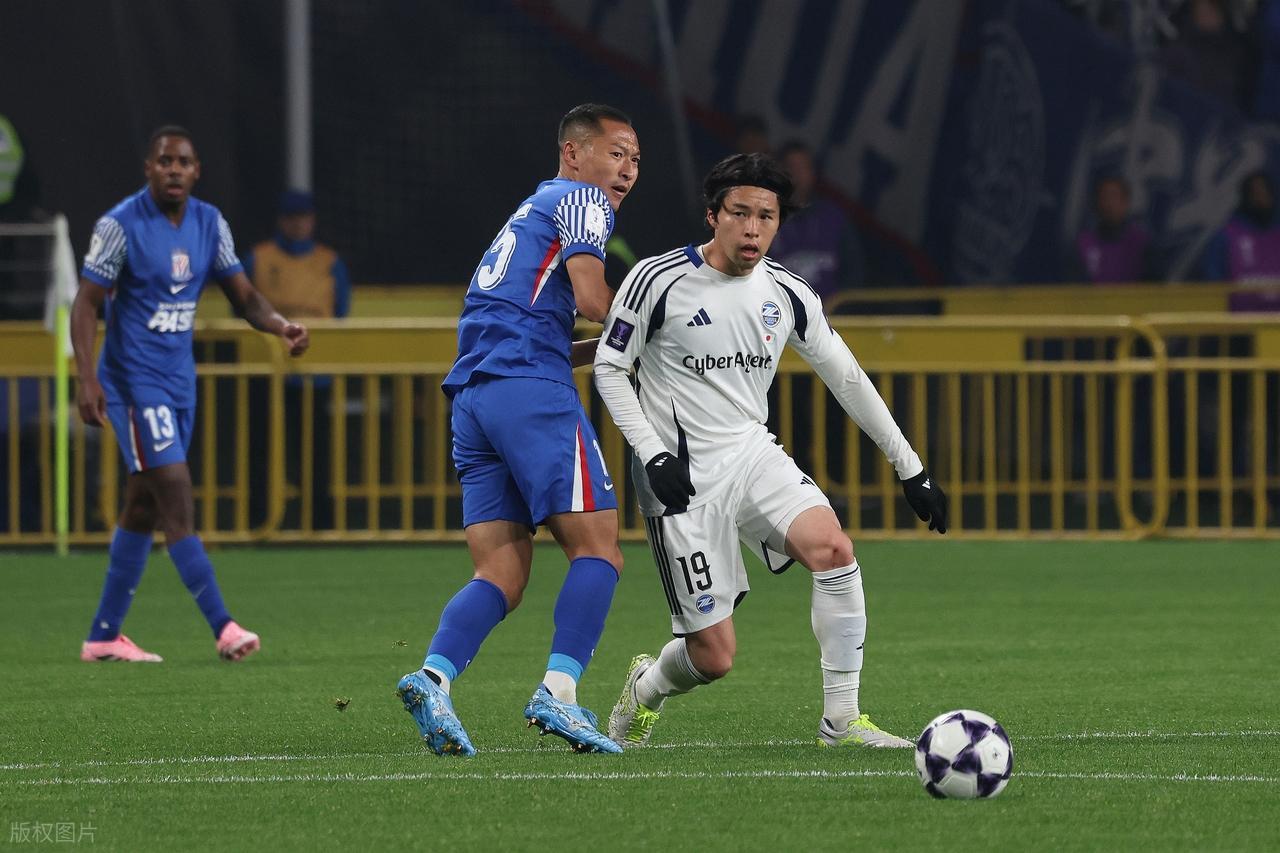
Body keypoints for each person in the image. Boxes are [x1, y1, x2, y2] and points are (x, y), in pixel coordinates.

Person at [593, 153, 948, 750]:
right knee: (714, 657)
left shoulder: (788, 292)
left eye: (766, 216)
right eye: (739, 213)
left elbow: (847, 378)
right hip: (680, 477)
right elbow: (609, 367)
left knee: (834, 550)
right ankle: (646, 687)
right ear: (713, 216)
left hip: (751, 454)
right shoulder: (657, 280)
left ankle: (842, 722)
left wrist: (911, 468)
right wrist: (652, 453)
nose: (753, 229)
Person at [395, 104, 640, 756]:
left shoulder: (530, 210)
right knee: (600, 550)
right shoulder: (583, 201)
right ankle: (559, 692)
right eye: (616, 152)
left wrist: (615, 347)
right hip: (530, 392)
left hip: (476, 396)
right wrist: (660, 322)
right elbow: (594, 301)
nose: (627, 170)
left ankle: (433, 678)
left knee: (501, 571)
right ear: (573, 154)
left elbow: (538, 329)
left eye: (635, 160)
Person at [73, 125, 310, 663]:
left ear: (196, 170)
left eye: (183, 162)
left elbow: (243, 297)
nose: (174, 170)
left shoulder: (209, 223)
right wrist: (87, 378)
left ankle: (104, 635)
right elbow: (86, 303)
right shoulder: (120, 226)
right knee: (176, 493)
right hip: (133, 383)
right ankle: (224, 626)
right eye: (165, 161)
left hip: (179, 383)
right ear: (149, 169)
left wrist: (280, 326)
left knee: (143, 506)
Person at [244, 188, 351, 529]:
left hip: (314, 372)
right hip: (266, 370)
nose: (298, 224)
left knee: (316, 451)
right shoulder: (259, 259)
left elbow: (341, 311)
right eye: (292, 218)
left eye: (303, 217)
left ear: (312, 221)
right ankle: (258, 521)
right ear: (281, 221)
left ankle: (320, 524)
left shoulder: (329, 263)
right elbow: (242, 306)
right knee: (261, 448)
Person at [767, 140, 865, 298]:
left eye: (803, 168)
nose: (798, 175)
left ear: (812, 173)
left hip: (831, 311)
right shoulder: (764, 221)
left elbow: (854, 272)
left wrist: (841, 307)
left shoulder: (834, 217)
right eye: (791, 168)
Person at [1070, 175, 1159, 284]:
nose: (1109, 204)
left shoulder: (1143, 242)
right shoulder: (1083, 243)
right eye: (1104, 197)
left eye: (1114, 197)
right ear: (1096, 203)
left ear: (1126, 203)